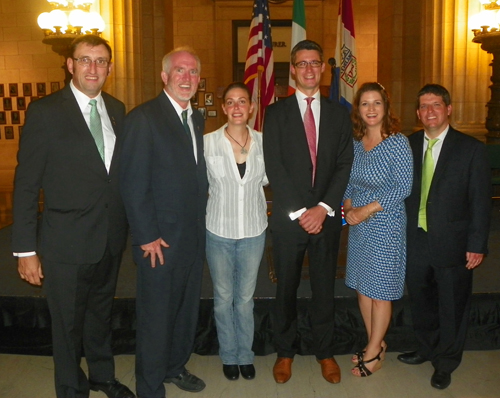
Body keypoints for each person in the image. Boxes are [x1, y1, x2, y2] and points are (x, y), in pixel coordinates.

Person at [11, 35, 135, 398]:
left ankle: (102, 376)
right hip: (65, 242)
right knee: (66, 326)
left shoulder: (116, 108)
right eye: (85, 60)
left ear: (110, 68)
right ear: (70, 65)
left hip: (109, 239)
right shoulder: (45, 111)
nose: (93, 68)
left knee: (100, 317)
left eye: (101, 61)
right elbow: (26, 185)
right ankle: (70, 388)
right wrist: (25, 250)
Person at [263, 39, 353, 384]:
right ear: (293, 70)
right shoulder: (276, 113)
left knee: (323, 289)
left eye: (315, 63)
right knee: (285, 288)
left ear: (322, 68)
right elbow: (276, 166)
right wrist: (303, 211)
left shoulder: (337, 113)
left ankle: (325, 352)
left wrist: (323, 208)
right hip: (289, 220)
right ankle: (285, 352)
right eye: (302, 64)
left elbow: (344, 163)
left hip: (327, 219)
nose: (310, 69)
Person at [120, 46, 208, 398]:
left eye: (192, 72)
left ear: (199, 79)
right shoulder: (143, 118)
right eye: (179, 71)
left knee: (184, 311)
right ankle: (150, 386)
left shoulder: (195, 118)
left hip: (191, 237)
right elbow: (132, 182)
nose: (186, 78)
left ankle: (174, 367)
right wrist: (146, 236)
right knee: (156, 319)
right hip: (158, 241)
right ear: (164, 76)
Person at [398, 84, 491, 390]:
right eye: (424, 106)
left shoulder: (471, 148)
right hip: (415, 239)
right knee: (421, 301)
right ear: (418, 113)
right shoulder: (407, 145)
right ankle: (426, 349)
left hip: (454, 243)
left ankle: (446, 362)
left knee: (452, 305)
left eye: (436, 105)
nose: (430, 111)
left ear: (448, 109)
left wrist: (477, 245)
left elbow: (480, 200)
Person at [343, 82, 413, 377]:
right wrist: (348, 208)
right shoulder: (357, 143)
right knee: (363, 287)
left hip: (386, 225)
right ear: (357, 110)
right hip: (359, 226)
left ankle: (372, 352)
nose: (370, 109)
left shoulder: (397, 142)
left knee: (380, 291)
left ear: (386, 108)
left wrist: (364, 210)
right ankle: (377, 343)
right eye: (364, 104)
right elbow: (348, 180)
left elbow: (403, 186)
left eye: (376, 103)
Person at [204, 82, 268, 381]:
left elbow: (271, 179)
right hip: (218, 230)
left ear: (251, 107)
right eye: (230, 102)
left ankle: (245, 355)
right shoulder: (208, 143)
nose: (237, 107)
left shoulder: (265, 143)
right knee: (222, 297)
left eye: (242, 101)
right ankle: (229, 356)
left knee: (245, 299)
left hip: (254, 230)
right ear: (224, 107)